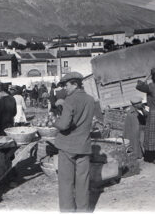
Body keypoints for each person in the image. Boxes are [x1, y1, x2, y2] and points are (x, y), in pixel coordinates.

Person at [53, 71, 95, 212]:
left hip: (68, 146)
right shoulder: (90, 99)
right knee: (83, 181)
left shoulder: (70, 100)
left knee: (66, 182)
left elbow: (64, 125)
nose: (65, 88)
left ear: (75, 84)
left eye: (66, 85)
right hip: (84, 145)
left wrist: (55, 122)